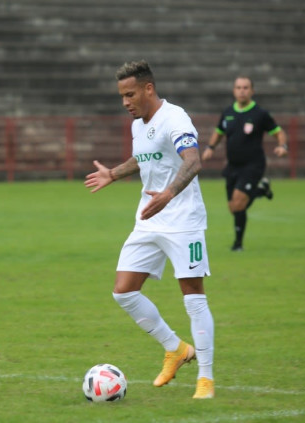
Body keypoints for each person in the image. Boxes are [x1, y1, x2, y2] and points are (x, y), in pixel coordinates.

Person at [85, 60, 215, 399]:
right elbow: (144, 158)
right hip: (149, 218)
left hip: (183, 221)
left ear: (148, 89)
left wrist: (169, 194)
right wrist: (113, 173)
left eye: (130, 94)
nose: (125, 102)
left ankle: (206, 378)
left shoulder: (175, 118)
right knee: (124, 291)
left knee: (193, 296)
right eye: (121, 96)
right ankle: (175, 348)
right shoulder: (138, 125)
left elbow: (193, 161)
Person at [202, 76, 289, 251]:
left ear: (252, 91)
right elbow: (219, 132)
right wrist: (210, 147)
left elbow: (279, 132)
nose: (242, 91)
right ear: (234, 91)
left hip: (253, 165)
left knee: (239, 203)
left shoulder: (260, 114)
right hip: (232, 166)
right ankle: (261, 190)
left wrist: (282, 145)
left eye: (245, 87)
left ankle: (238, 245)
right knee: (233, 208)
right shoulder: (228, 112)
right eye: (239, 87)